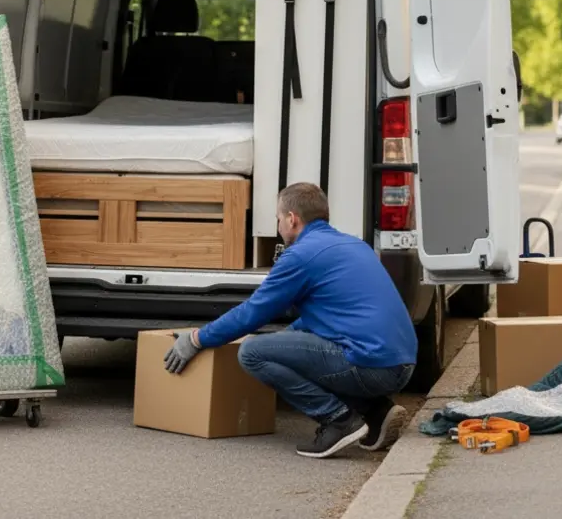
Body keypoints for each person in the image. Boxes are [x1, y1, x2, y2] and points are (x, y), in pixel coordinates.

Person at [162, 183, 418, 459]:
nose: (279, 226)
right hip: (402, 364)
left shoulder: (300, 255)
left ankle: (339, 421)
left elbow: (253, 313)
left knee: (252, 353)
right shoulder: (352, 244)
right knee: (288, 350)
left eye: (278, 219)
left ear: (292, 218)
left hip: (372, 366)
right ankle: (376, 411)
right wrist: (286, 342)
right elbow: (323, 321)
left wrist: (197, 338)